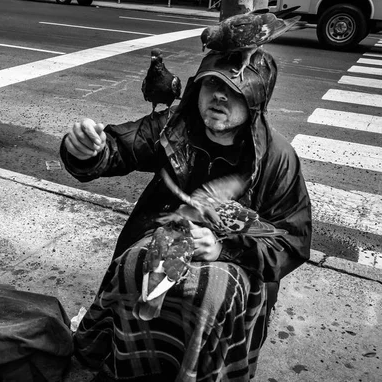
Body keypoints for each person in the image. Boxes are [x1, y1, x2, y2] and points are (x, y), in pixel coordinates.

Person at [59, 48, 312, 381]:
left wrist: (226, 250)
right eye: (211, 84)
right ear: (197, 88)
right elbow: (118, 149)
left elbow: (293, 240)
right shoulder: (174, 125)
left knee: (210, 292)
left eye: (235, 90)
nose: (220, 95)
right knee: (136, 265)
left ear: (255, 102)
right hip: (164, 236)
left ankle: (198, 372)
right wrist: (88, 150)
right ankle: (131, 363)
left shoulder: (277, 158)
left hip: (237, 262)